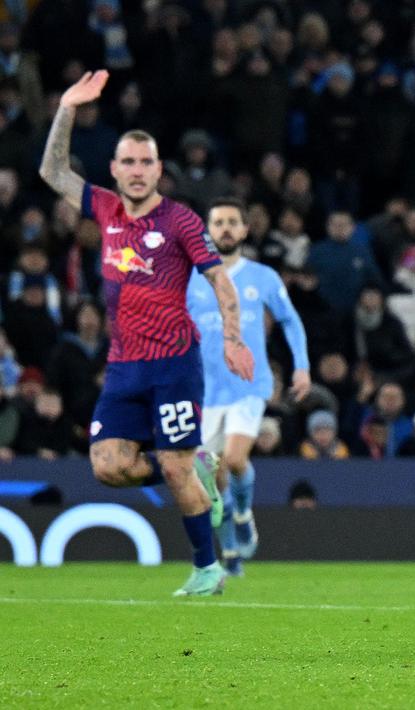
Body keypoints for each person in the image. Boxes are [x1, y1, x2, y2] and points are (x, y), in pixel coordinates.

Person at [39, 70, 255, 597]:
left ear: (159, 170)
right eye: (128, 162)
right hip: (123, 366)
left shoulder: (180, 221)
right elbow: (51, 170)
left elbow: (221, 281)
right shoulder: (106, 208)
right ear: (114, 169)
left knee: (175, 467)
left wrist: (232, 338)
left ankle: (208, 568)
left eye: (146, 162)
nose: (137, 171)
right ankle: (196, 462)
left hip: (174, 363)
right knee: (108, 466)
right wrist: (67, 106)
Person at [187, 197, 310, 577]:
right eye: (218, 222)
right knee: (211, 480)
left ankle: (243, 516)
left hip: (248, 386)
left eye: (232, 222)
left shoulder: (262, 277)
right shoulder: (190, 279)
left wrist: (301, 367)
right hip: (205, 394)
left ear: (244, 230)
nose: (225, 228)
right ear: (208, 231)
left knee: (235, 459)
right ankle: (232, 552)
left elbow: (290, 320)